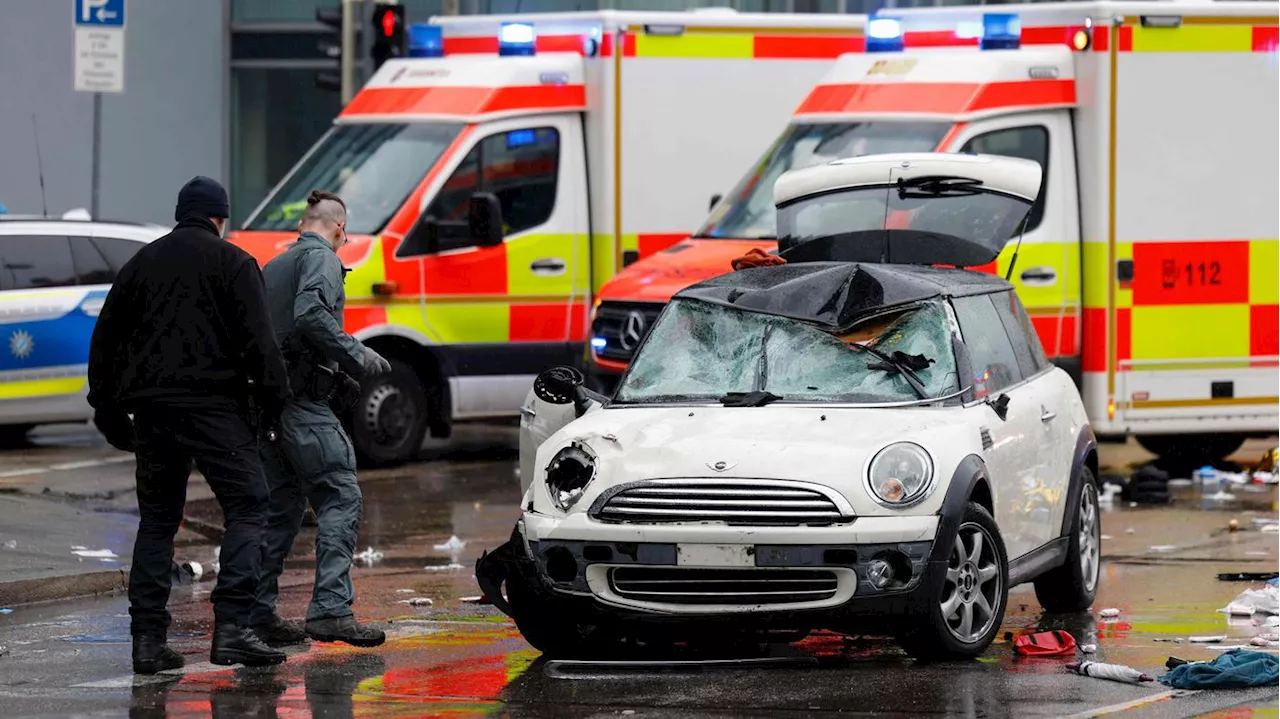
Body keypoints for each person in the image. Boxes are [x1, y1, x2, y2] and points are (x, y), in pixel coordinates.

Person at [87, 176, 292, 674]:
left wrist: (109, 411)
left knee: (158, 520)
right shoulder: (233, 263)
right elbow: (261, 347)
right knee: (248, 504)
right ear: (220, 218)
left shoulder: (142, 264)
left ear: (181, 213)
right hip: (216, 409)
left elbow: (105, 342)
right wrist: (273, 408)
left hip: (154, 413)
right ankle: (234, 629)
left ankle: (147, 643)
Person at [251, 190, 392, 647]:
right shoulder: (324, 260)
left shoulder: (273, 267)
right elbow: (310, 314)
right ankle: (331, 609)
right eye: (344, 234)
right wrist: (357, 357)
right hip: (305, 408)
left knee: (283, 509)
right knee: (340, 496)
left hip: (272, 409)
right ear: (338, 229)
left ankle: (258, 613)